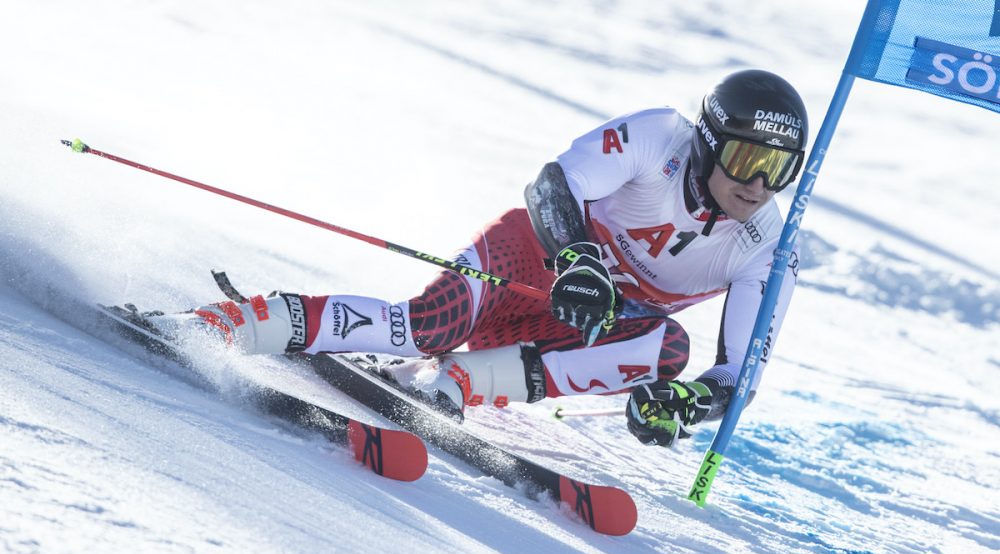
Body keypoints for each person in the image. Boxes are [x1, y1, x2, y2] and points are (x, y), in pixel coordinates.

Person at [148, 69, 807, 449]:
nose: (757, 183)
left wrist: (683, 401)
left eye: (777, 168)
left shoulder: (769, 247)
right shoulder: (660, 134)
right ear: (707, 141)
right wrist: (576, 257)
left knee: (665, 349)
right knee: (426, 325)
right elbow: (554, 184)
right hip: (527, 260)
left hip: (583, 322)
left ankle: (457, 385)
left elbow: (736, 375)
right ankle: (236, 321)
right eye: (745, 158)